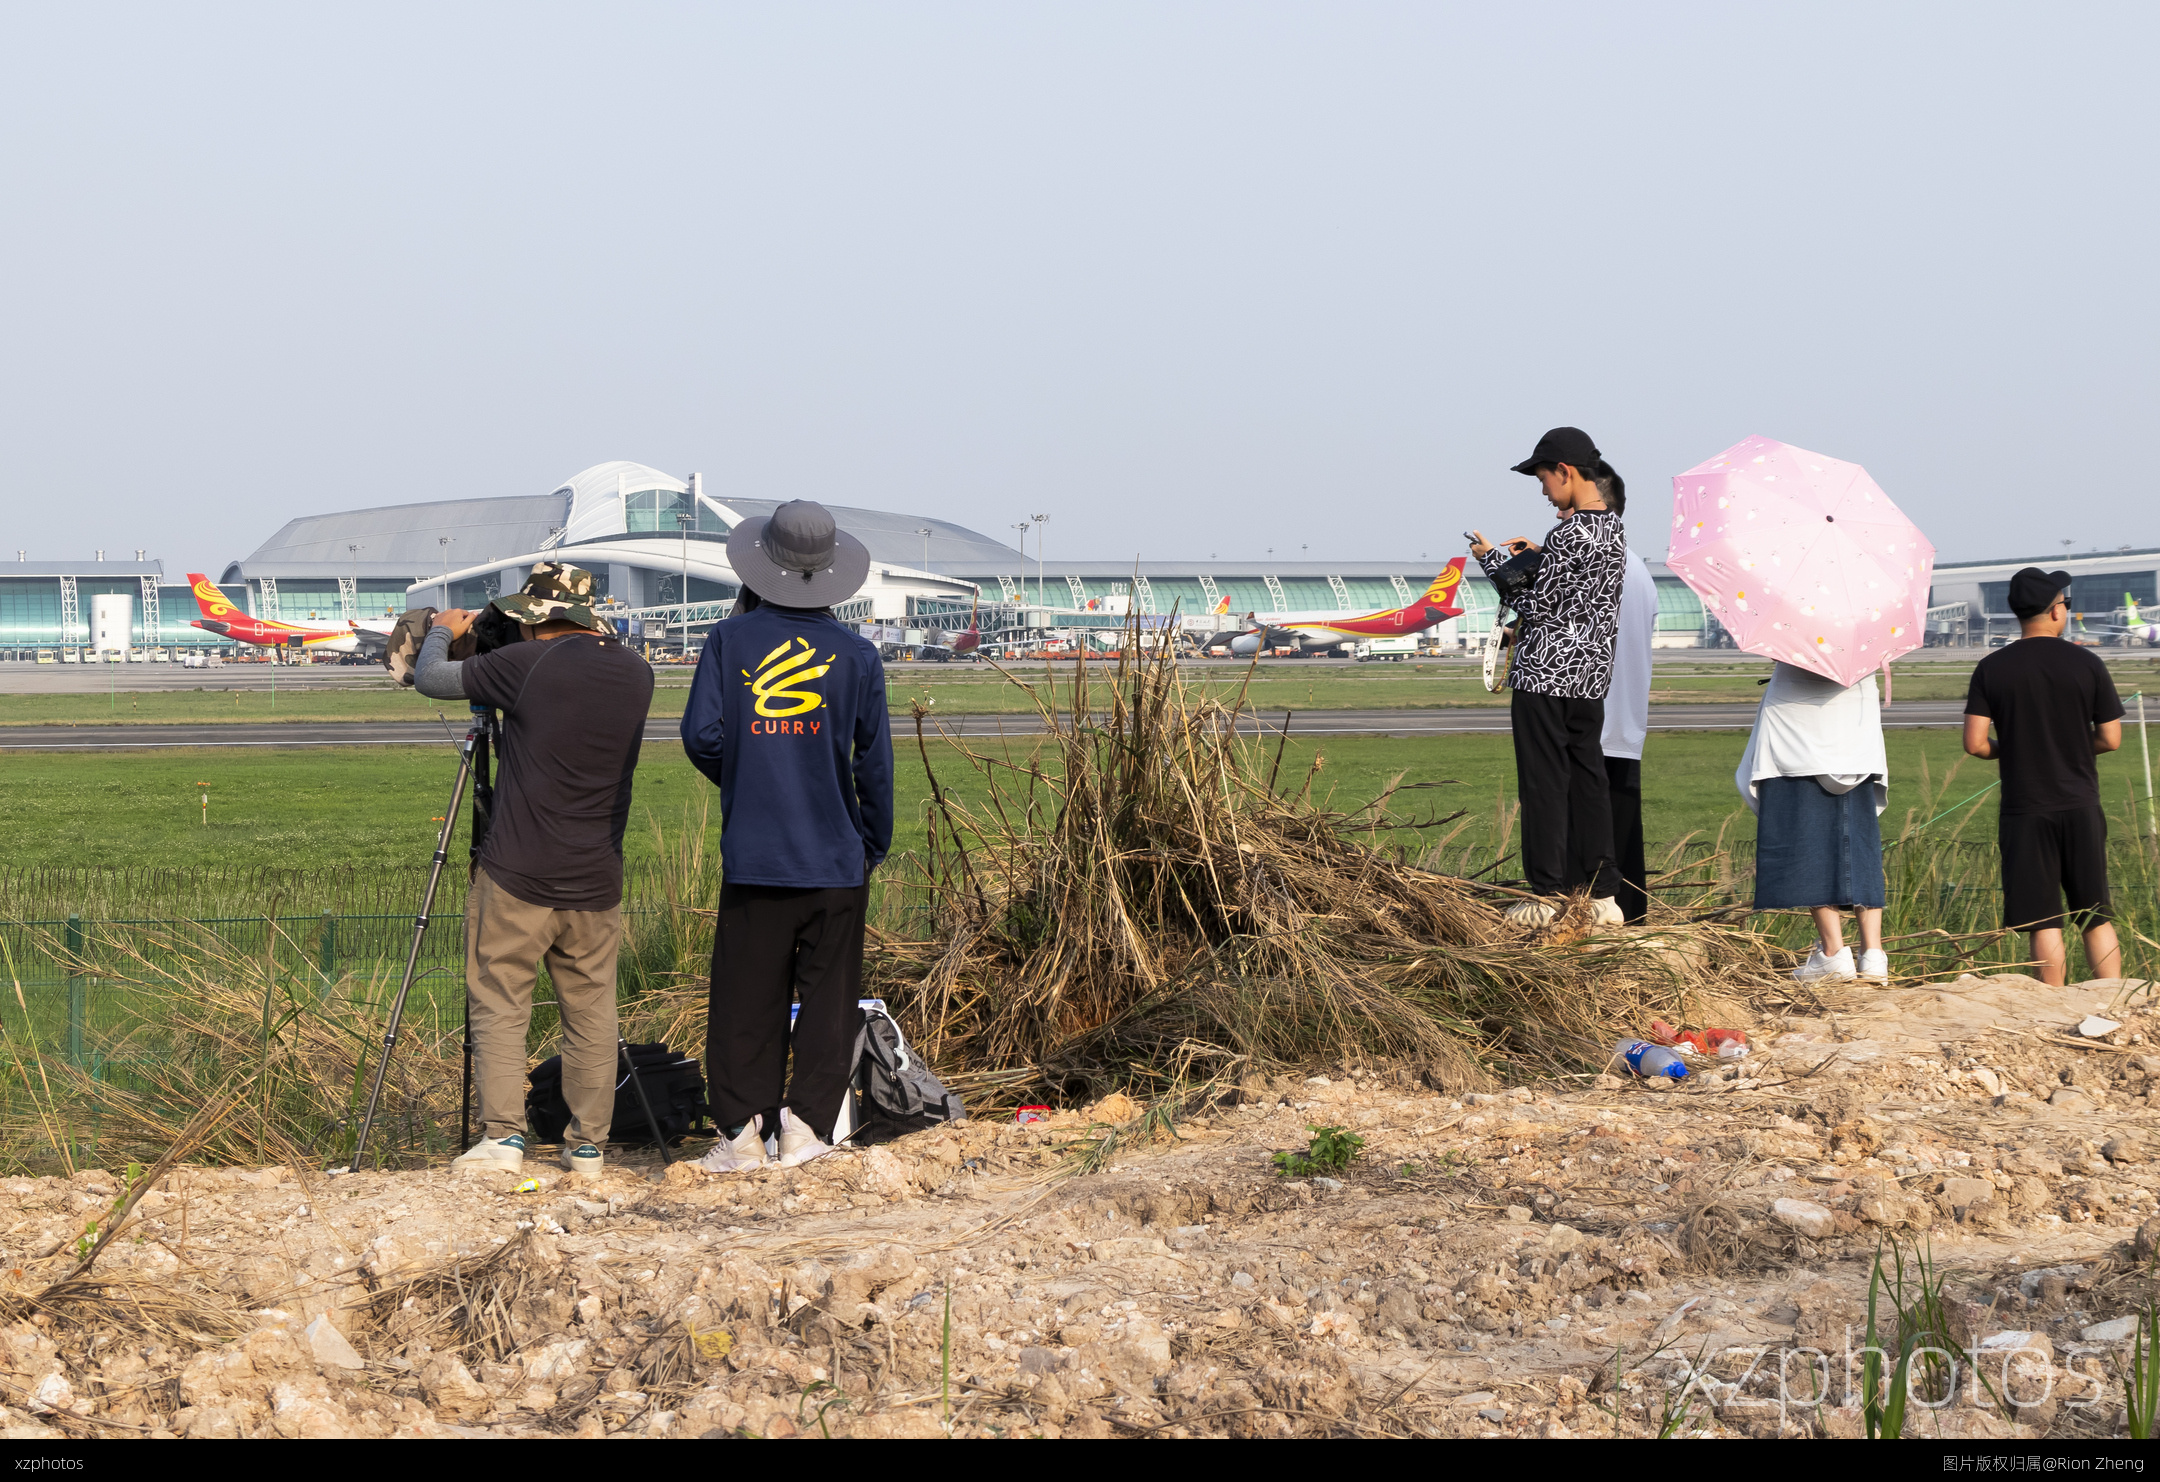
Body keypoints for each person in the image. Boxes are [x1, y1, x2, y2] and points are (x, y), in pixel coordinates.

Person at [414, 562, 655, 1180]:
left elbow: (432, 679)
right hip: (597, 877)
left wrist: (444, 629)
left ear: (534, 618)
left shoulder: (525, 665)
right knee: (593, 1010)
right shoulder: (636, 672)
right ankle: (588, 1148)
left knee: (499, 998)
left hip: (518, 871)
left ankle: (503, 1138)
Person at [681, 500, 894, 1173]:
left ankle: (742, 1136)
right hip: (835, 857)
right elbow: (875, 764)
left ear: (760, 565)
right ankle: (804, 1128)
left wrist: (748, 775)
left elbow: (701, 736)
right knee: (829, 1003)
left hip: (756, 855)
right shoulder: (859, 656)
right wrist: (871, 842)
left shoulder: (728, 641)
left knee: (746, 1000)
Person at [1472, 426, 1628, 928]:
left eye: (1543, 478)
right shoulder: (1614, 531)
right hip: (1589, 677)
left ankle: (1546, 892)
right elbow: (1578, 593)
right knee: (1588, 779)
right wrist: (1536, 558)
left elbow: (1537, 606)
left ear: (1565, 471)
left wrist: (1495, 562)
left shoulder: (1569, 533)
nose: (1543, 490)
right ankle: (1602, 893)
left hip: (1545, 676)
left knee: (1543, 783)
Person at [1964, 567, 2124, 986]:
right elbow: (2110, 737)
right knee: (2094, 913)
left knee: (2043, 919)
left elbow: (1975, 742)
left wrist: (2014, 749)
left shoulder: (1992, 668)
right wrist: (2072, 743)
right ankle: (2110, 1003)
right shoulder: (2086, 662)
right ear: (2056, 611)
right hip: (2080, 803)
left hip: (2025, 808)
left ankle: (2049, 1007)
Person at [1737, 662, 1889, 982]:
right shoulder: (1866, 620)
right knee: (1858, 838)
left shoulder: (1794, 619)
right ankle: (1873, 953)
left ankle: (1833, 951)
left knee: (1803, 833)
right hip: (1856, 719)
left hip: (1796, 718)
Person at [1598, 472, 1657, 925]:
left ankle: (1603, 918)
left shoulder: (1600, 564)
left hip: (1592, 716)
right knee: (1625, 831)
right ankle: (1633, 917)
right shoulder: (1639, 570)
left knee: (1593, 837)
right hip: (1627, 721)